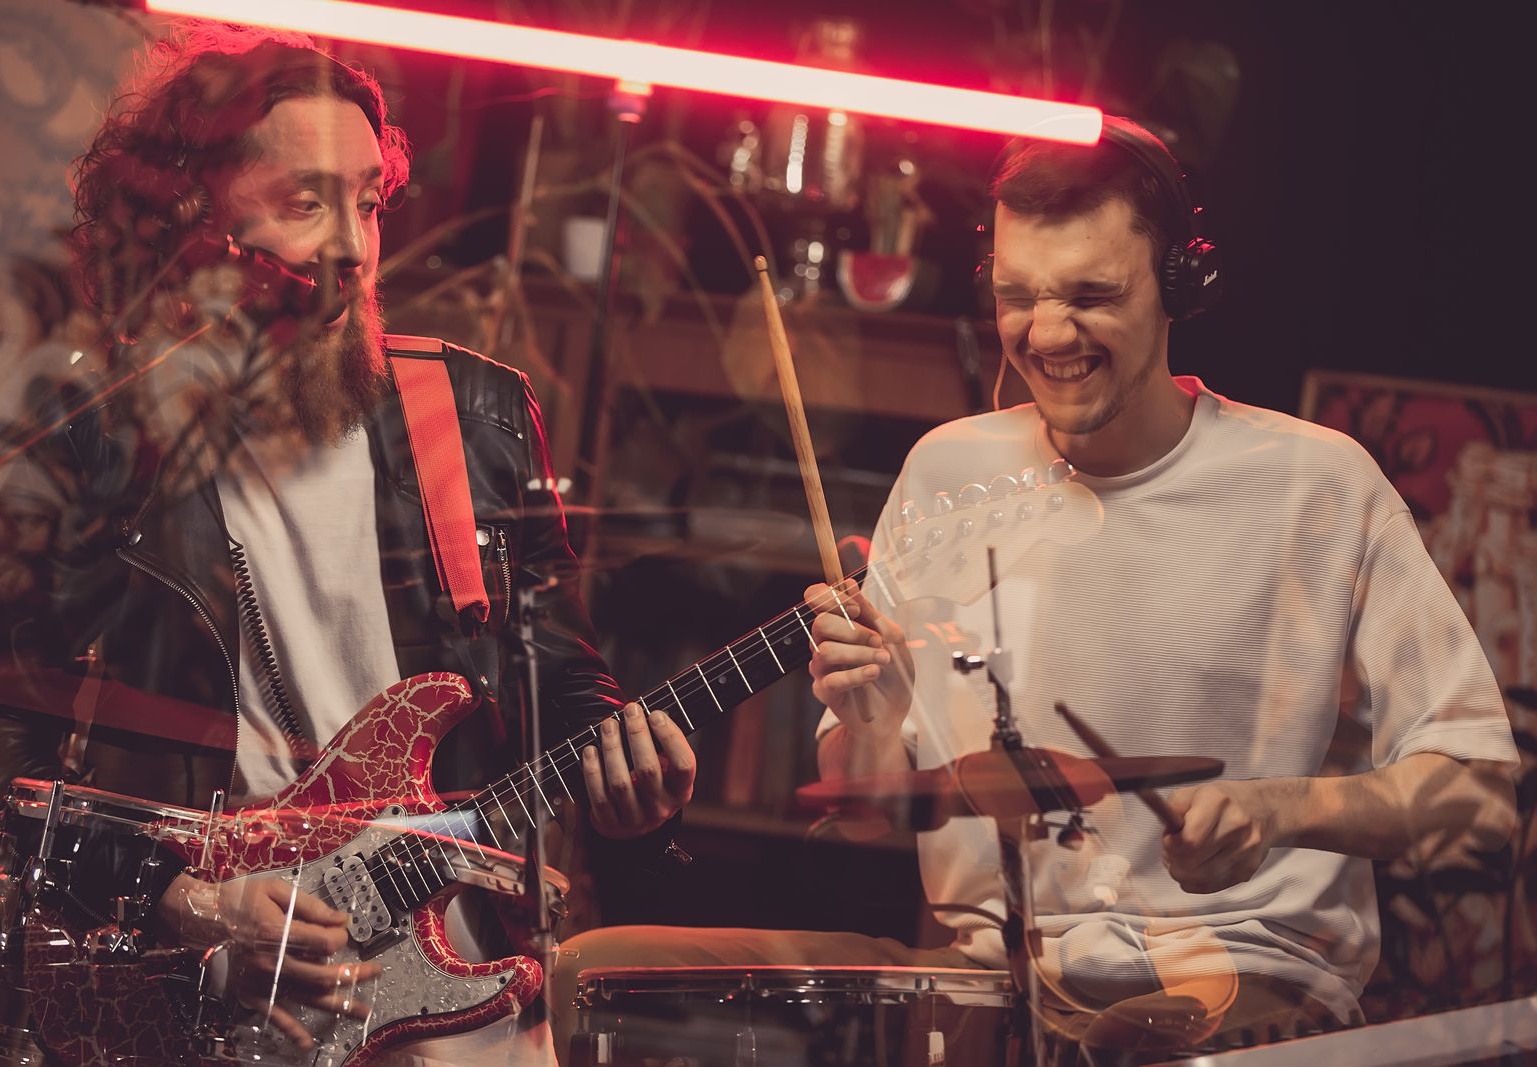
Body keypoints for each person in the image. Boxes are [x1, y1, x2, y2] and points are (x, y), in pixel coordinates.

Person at [552, 116, 1518, 1061]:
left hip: (1237, 976)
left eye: (1093, 295)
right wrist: (872, 715)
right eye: (1018, 296)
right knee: (590, 975)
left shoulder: (1319, 483)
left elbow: (1480, 794)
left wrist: (1280, 811)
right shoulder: (948, 471)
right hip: (991, 977)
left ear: (1180, 283)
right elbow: (866, 799)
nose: (1047, 334)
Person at [0, 22, 694, 1066]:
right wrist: (185, 901)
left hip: (468, 1013)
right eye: (305, 205)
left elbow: (559, 684)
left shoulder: (472, 416)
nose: (352, 246)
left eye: (368, 203)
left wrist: (631, 785)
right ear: (194, 228)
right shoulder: (99, 439)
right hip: (208, 1010)